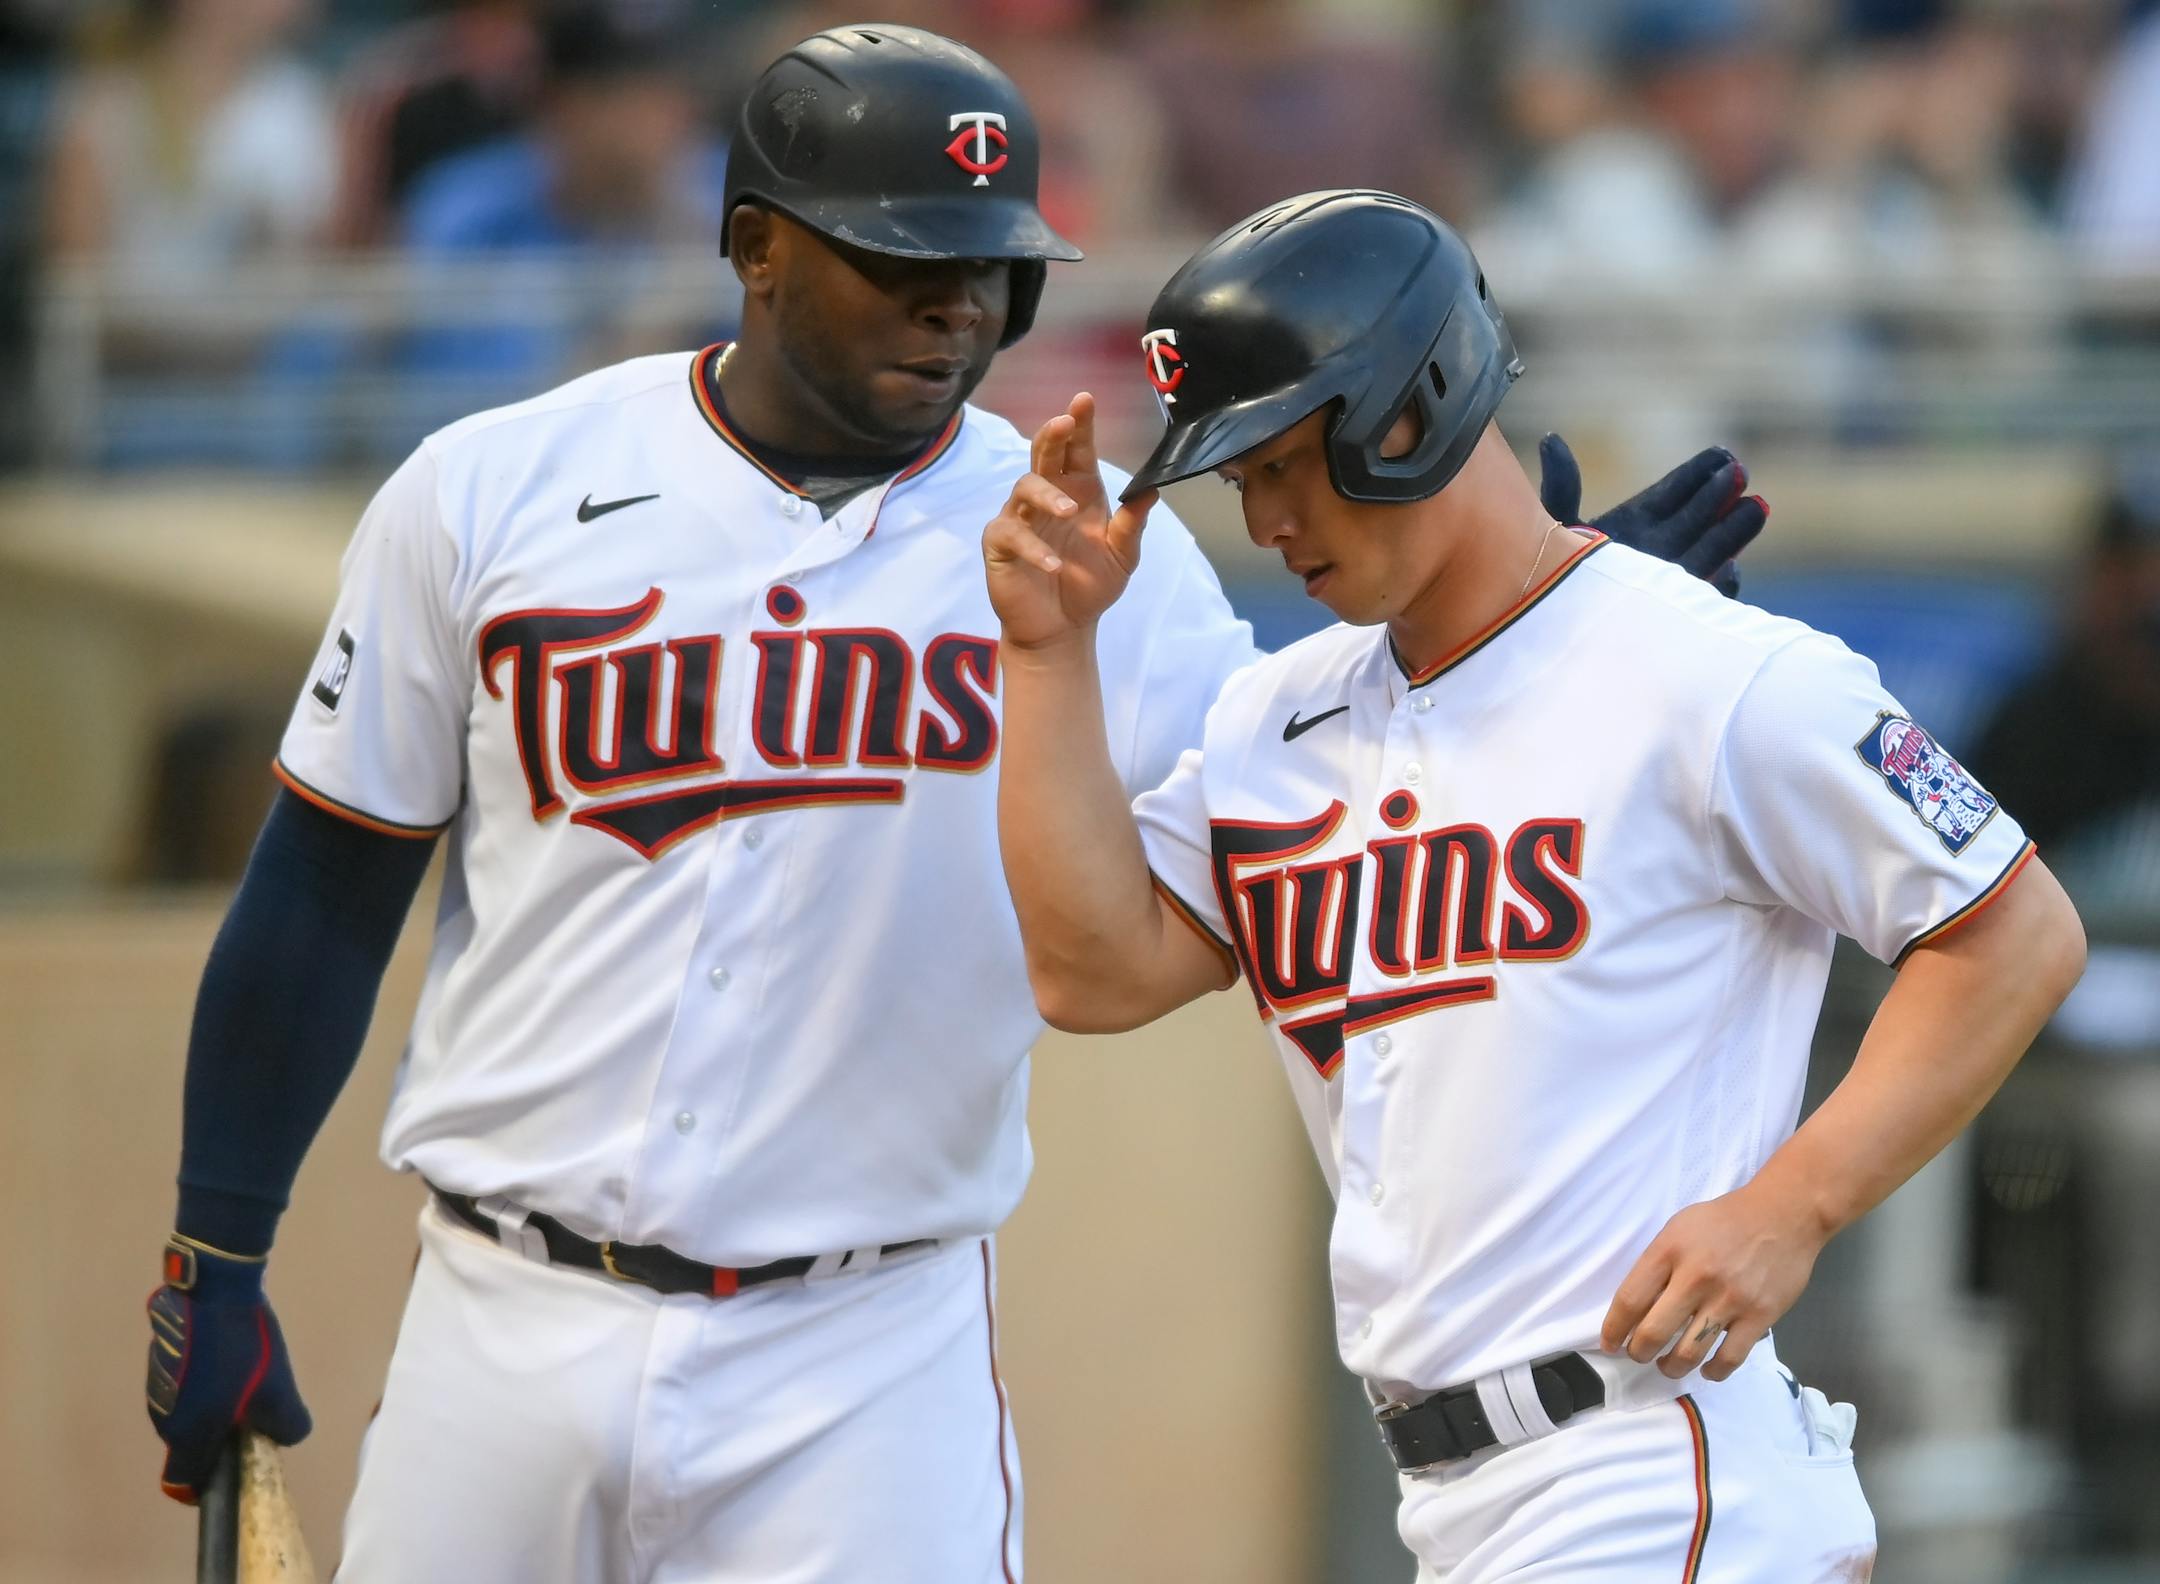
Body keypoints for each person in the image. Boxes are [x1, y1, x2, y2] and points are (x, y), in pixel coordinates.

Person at [143, 32, 1765, 1583]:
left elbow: (1328, 797)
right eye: (904, 267)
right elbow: (324, 889)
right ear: (759, 244)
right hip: (502, 1312)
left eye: (989, 272)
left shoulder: (1089, 553)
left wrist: (1538, 631)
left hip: (859, 1353)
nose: (958, 312)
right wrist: (218, 1245)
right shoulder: (491, 488)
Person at [983, 189, 2087, 1581]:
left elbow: (2015, 929)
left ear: (1415, 399)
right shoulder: (1277, 716)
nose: (1263, 519)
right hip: (1462, 1499)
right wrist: (1045, 658)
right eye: (1237, 477)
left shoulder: (1709, 673)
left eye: (1284, 461)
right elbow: (1093, 969)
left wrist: (1791, 1203)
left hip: (1654, 1459)